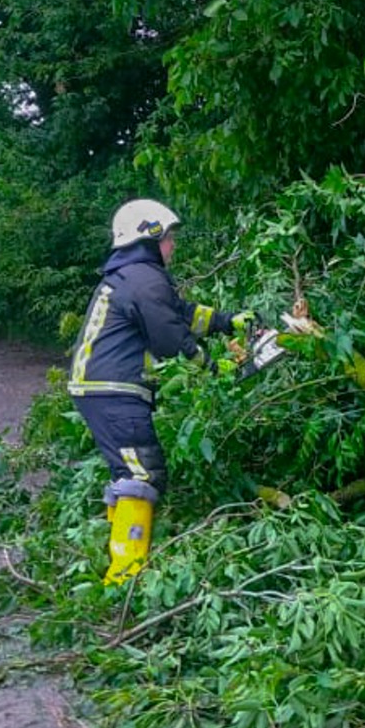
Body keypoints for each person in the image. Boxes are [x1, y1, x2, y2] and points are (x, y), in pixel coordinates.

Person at [69, 199, 252, 585]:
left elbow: (180, 312)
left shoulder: (137, 276)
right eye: (169, 239)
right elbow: (171, 339)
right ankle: (125, 575)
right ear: (149, 238)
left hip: (103, 388)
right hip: (113, 391)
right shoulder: (144, 278)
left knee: (130, 470)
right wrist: (212, 366)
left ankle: (119, 560)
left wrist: (227, 323)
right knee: (142, 473)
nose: (173, 246)